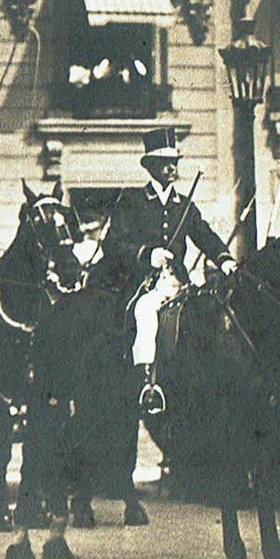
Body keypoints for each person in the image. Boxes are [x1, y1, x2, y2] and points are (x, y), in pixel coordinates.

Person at [101, 127, 237, 415]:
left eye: (175, 162)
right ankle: (148, 387)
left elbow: (206, 235)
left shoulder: (184, 204)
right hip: (147, 284)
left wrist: (225, 260)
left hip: (180, 284)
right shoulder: (131, 201)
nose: (172, 167)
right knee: (145, 313)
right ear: (151, 166)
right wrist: (146, 255)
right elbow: (112, 245)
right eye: (165, 162)